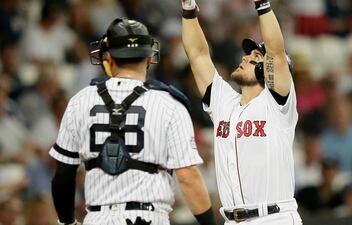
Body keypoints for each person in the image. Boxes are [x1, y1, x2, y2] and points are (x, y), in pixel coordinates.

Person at [49, 18, 217, 225]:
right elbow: (188, 177)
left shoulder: (80, 100)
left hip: (97, 217)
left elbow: (63, 174)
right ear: (149, 58)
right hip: (149, 217)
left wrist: (67, 222)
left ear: (108, 57)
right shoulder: (169, 104)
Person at [181, 0, 302, 224]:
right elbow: (197, 54)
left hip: (274, 218)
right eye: (248, 55)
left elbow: (275, 52)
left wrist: (262, 4)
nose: (245, 57)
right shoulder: (223, 101)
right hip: (232, 219)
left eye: (255, 57)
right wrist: (188, 12)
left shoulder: (277, 104)